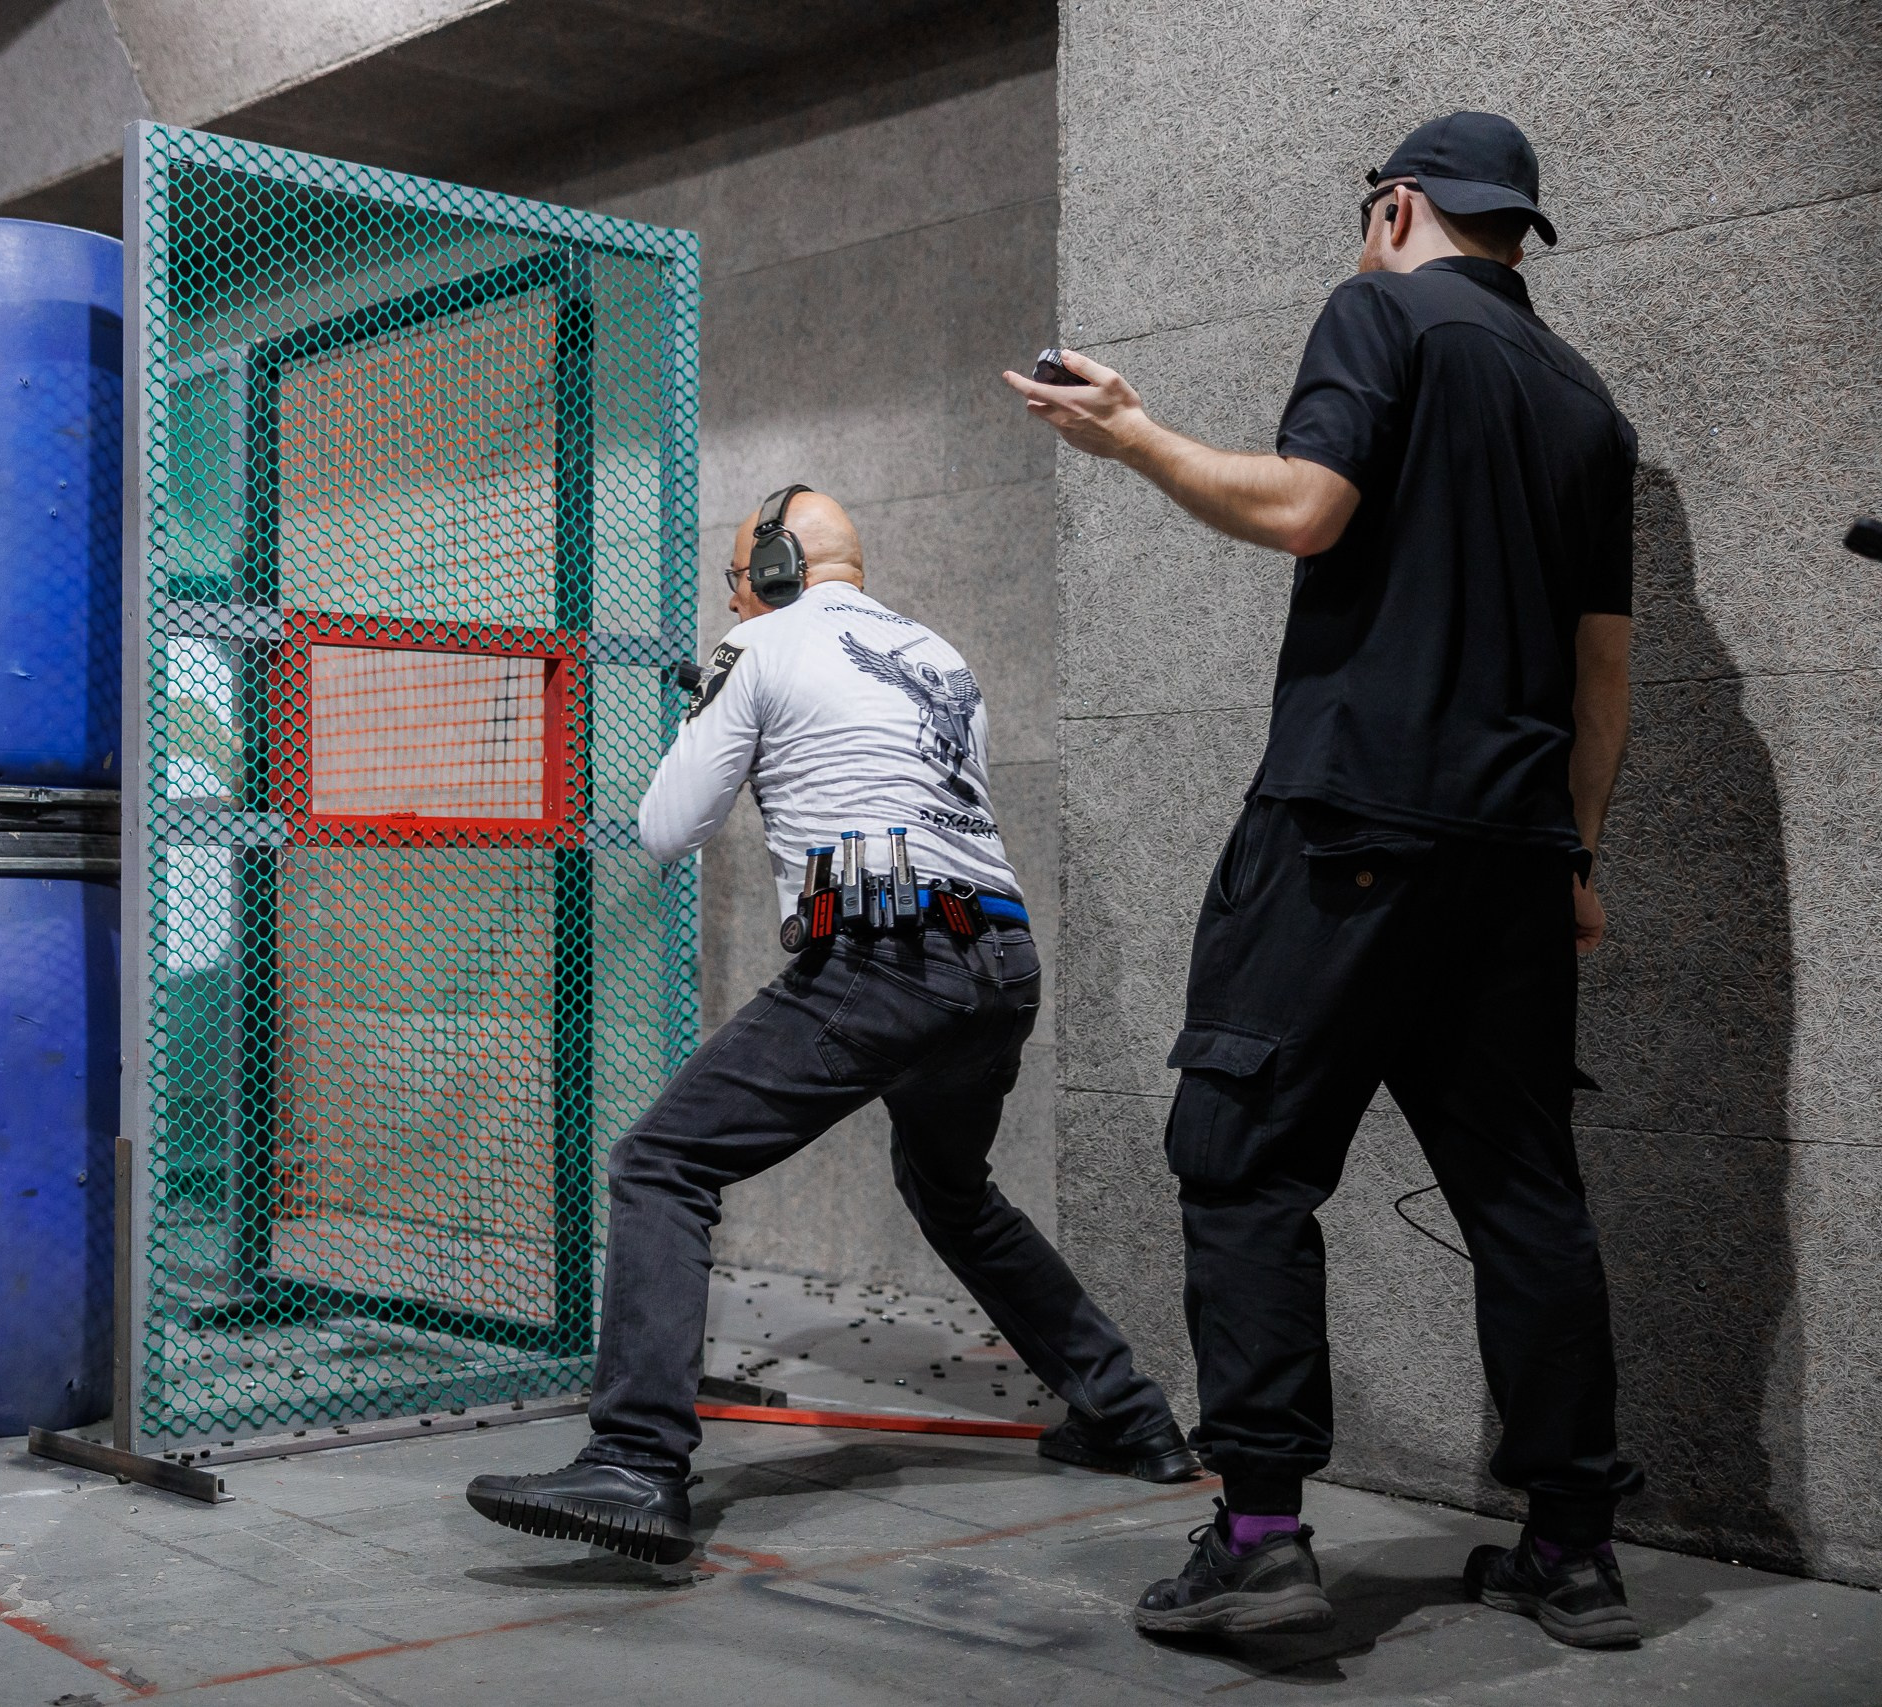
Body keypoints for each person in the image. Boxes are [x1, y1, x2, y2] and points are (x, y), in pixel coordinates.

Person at [1007, 111, 1643, 1648]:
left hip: (1352, 826)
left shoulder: (1382, 313)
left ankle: (1262, 1536)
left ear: (1397, 204)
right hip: (1512, 855)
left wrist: (1133, 434)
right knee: (1524, 1191)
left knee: (1242, 1155)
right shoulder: (1590, 405)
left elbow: (1307, 508)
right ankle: (1572, 1546)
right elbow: (1605, 668)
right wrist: (1574, 850)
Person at [466, 486, 1198, 1564]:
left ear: (773, 568)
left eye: (737, 578)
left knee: (661, 1163)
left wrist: (710, 705)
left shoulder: (760, 644)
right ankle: (1129, 1416)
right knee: (951, 1192)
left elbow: (666, 826)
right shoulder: (941, 653)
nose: (734, 598)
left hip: (883, 958)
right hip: (998, 966)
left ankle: (635, 1462)